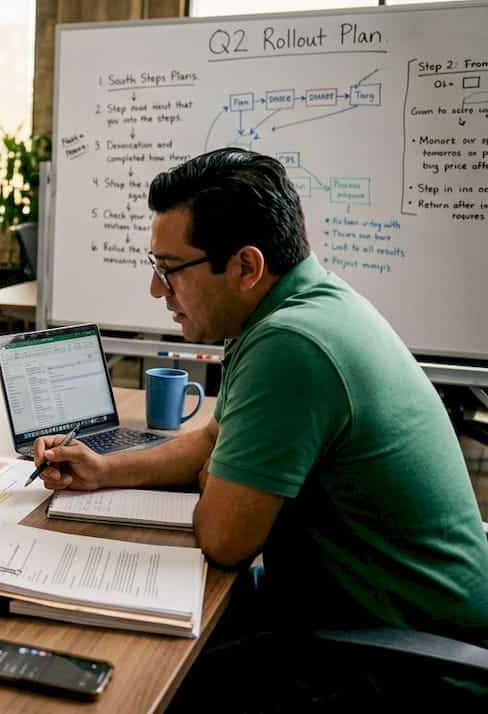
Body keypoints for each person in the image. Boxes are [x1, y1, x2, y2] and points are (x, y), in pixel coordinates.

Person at [32, 148, 488, 708]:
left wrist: (219, 480)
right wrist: (104, 469)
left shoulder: (290, 345)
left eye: (169, 269)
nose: (157, 291)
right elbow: (209, 440)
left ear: (246, 267)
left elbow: (225, 539)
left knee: (131, 683)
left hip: (404, 663)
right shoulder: (299, 306)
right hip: (373, 620)